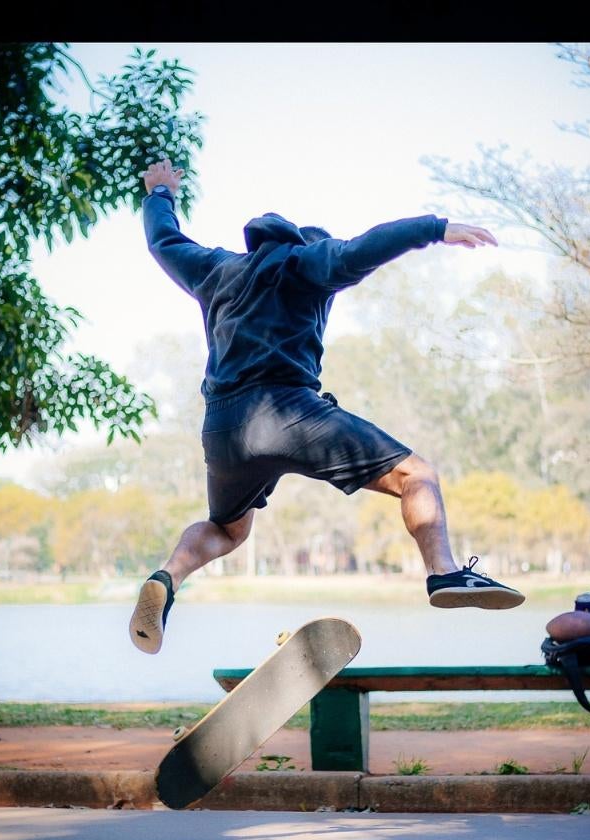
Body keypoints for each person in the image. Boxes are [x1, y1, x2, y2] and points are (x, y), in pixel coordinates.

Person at [129, 158, 525, 654]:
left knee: (228, 528)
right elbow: (366, 247)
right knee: (416, 476)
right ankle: (443, 573)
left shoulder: (216, 270)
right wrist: (437, 228)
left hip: (223, 427)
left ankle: (167, 580)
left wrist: (160, 193)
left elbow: (164, 242)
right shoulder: (308, 262)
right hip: (289, 411)